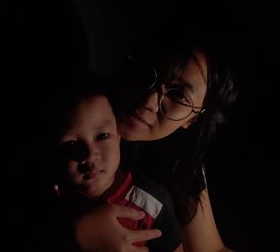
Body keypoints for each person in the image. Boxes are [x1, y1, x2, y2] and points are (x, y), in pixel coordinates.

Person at [72, 30, 238, 252]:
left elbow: (210, 249)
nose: (150, 100)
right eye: (148, 74)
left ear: (193, 119)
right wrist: (70, 233)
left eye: (178, 94)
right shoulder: (75, 106)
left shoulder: (180, 157)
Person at [49, 75, 183, 252]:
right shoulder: (52, 195)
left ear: (119, 135)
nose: (89, 154)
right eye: (71, 145)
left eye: (102, 136)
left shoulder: (153, 203)